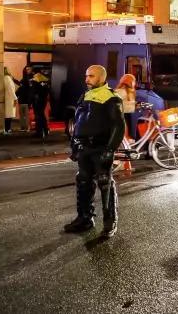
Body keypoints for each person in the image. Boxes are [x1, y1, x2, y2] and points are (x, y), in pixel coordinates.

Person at [64, 65, 125, 238]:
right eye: (86, 76)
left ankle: (109, 222)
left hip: (100, 148)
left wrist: (110, 149)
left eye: (91, 76)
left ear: (101, 77)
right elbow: (78, 121)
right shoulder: (85, 95)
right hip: (84, 148)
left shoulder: (112, 99)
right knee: (83, 181)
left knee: (105, 183)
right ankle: (84, 218)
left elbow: (118, 126)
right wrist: (74, 144)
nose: (86, 79)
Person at [30, 68, 50, 138]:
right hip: (43, 100)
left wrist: (32, 101)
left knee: (38, 116)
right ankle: (45, 130)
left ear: (34, 72)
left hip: (37, 101)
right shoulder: (45, 80)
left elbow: (33, 92)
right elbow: (47, 91)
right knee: (42, 115)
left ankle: (39, 132)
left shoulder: (35, 80)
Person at [115, 73, 136, 139]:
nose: (134, 83)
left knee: (125, 136)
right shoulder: (121, 91)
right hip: (122, 116)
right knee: (124, 136)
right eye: (133, 81)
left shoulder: (128, 91)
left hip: (126, 115)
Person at [16, 66, 33, 132]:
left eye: (28, 69)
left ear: (31, 70)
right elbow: (20, 87)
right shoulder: (24, 79)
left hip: (27, 100)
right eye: (26, 69)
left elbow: (31, 90)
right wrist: (16, 96)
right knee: (22, 115)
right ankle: (23, 127)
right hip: (22, 99)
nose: (27, 70)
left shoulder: (32, 79)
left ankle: (28, 127)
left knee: (26, 114)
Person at [3, 67, 17, 134]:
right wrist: (15, 98)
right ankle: (7, 129)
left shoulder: (4, 78)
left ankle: (7, 129)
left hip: (7, 98)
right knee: (8, 115)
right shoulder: (7, 78)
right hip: (10, 99)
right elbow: (11, 89)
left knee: (7, 115)